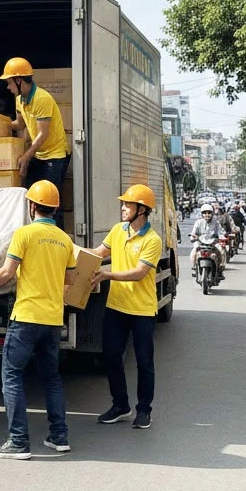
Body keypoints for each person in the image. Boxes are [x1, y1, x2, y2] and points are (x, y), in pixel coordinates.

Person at [0, 180, 76, 459]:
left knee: (12, 375)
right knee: (51, 378)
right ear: (54, 208)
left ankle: (18, 441)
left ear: (32, 206)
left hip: (26, 317)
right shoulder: (65, 240)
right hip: (53, 319)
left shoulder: (24, 234)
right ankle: (59, 436)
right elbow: (71, 279)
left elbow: (6, 272)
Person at [92, 184, 163, 430]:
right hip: (116, 307)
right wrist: (68, 251)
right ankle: (121, 405)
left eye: (127, 204)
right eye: (123, 204)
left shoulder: (152, 240)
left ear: (141, 210)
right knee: (111, 356)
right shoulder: (117, 230)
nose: (123, 208)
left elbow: (139, 273)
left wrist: (107, 275)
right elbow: (98, 253)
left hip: (142, 311)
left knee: (144, 362)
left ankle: (144, 410)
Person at [0, 58, 69, 220]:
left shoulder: (41, 99)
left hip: (55, 155)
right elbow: (19, 124)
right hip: (39, 154)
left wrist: (26, 156)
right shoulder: (19, 100)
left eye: (9, 83)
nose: (8, 87)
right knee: (31, 195)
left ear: (19, 80)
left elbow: (42, 134)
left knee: (51, 201)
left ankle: (57, 233)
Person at [189, 203, 224, 280]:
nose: (207, 215)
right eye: (205, 213)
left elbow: (220, 232)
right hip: (200, 242)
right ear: (202, 214)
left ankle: (220, 268)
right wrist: (193, 237)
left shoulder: (216, 223)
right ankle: (194, 267)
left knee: (221, 250)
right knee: (194, 251)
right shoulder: (198, 222)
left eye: (209, 213)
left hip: (213, 242)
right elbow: (193, 233)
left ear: (212, 213)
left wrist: (221, 238)